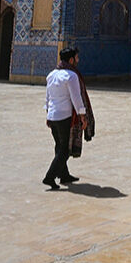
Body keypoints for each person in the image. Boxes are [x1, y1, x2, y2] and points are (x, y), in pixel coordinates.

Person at [43, 47, 89, 190]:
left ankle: (64, 175)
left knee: (59, 145)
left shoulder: (51, 74)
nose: (78, 60)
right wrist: (83, 115)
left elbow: (47, 97)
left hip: (52, 115)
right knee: (64, 150)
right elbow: (76, 97)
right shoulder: (71, 75)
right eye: (76, 58)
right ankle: (49, 177)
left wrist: (47, 113)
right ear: (71, 60)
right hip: (64, 116)